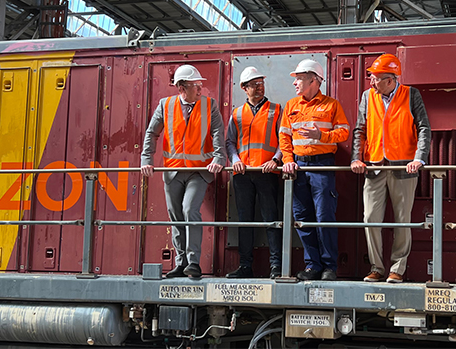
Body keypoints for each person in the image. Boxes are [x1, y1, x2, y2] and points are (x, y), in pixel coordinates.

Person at [351, 53, 431, 284]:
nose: (372, 82)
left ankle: (397, 268)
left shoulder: (411, 95)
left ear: (390, 79)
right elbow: (360, 130)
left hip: (404, 167)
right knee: (370, 218)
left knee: (402, 219)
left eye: (376, 78)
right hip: (374, 166)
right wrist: (357, 158)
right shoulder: (368, 97)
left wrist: (419, 158)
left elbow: (424, 128)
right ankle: (376, 267)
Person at [141, 64, 225, 279]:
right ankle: (181, 263)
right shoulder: (165, 105)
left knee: (189, 210)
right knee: (176, 217)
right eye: (195, 85)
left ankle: (194, 263)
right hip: (173, 172)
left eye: (200, 85)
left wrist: (218, 157)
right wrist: (146, 159)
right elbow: (152, 133)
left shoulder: (210, 105)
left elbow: (217, 132)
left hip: (199, 171)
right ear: (181, 87)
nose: (200, 89)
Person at [279, 59, 350, 281]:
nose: (295, 83)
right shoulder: (291, 106)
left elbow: (344, 133)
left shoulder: (332, 105)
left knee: (324, 216)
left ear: (314, 80)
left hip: (322, 165)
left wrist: (321, 136)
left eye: (299, 78)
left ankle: (329, 267)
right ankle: (313, 265)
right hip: (298, 167)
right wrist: (288, 160)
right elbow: (284, 136)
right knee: (302, 217)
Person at [225, 66, 283, 280]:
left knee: (271, 220)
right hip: (243, 174)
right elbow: (230, 141)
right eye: (254, 84)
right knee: (245, 221)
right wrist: (235, 160)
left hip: (267, 173)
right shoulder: (237, 113)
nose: (259, 87)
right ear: (244, 88)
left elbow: (284, 140)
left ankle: (276, 266)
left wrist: (276, 160)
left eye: (261, 83)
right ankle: (245, 266)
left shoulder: (277, 110)